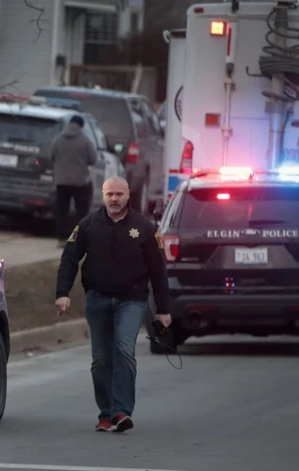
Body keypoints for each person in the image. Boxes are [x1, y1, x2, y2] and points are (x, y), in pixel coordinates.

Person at [54, 176, 171, 433]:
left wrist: (163, 309)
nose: (114, 199)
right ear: (103, 196)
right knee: (101, 360)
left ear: (128, 195)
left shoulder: (144, 227)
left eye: (119, 194)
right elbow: (69, 258)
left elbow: (158, 270)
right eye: (110, 194)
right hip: (97, 299)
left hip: (131, 300)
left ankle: (121, 411)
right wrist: (62, 293)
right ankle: (106, 413)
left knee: (124, 349)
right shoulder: (88, 225)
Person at [50, 114, 98, 248]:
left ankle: (61, 238)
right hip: (80, 182)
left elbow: (52, 156)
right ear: (81, 126)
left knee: (62, 210)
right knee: (81, 211)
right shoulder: (86, 140)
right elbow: (93, 159)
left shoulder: (58, 139)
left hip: (61, 181)